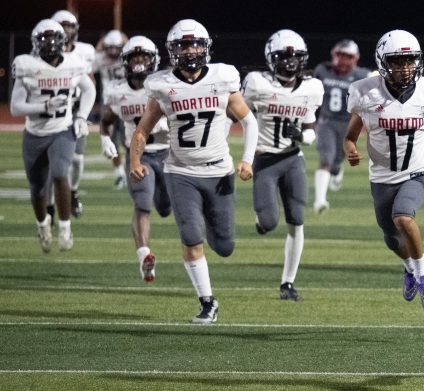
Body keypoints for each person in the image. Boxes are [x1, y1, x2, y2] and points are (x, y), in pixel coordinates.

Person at [129, 19, 258, 324]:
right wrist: (135, 161)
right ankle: (207, 301)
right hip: (180, 171)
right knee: (190, 236)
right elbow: (142, 130)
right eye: (183, 45)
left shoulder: (222, 77)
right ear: (172, 50)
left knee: (224, 246)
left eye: (195, 44)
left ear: (206, 47)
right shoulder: (162, 85)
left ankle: (212, 236)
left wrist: (248, 159)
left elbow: (249, 121)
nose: (190, 51)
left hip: (219, 171)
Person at [344, 29, 424, 312]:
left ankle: (423, 276)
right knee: (391, 238)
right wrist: (350, 150)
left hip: (418, 172)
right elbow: (350, 136)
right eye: (397, 62)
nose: (405, 68)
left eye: (410, 61)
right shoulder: (365, 93)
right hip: (382, 178)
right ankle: (409, 269)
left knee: (403, 217)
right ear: (382, 62)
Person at [242, 29, 323, 301]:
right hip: (264, 159)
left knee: (297, 221)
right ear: (270, 59)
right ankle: (262, 221)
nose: (290, 62)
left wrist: (301, 135)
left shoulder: (311, 88)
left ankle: (287, 283)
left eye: (295, 57)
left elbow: (312, 132)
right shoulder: (256, 84)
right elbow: (238, 114)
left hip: (292, 158)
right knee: (267, 222)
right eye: (284, 57)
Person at [10, 19, 95, 252]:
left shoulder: (73, 63)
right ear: (36, 43)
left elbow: (90, 90)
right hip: (35, 133)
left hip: (62, 129)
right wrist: (44, 107)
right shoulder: (27, 65)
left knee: (60, 174)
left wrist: (81, 117)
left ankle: (66, 229)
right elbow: (15, 107)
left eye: (54, 38)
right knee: (37, 188)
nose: (49, 43)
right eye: (44, 39)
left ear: (63, 41)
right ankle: (42, 224)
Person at [100, 35, 170, 283]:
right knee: (142, 203)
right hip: (138, 156)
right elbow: (107, 121)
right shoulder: (118, 92)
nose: (139, 62)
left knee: (165, 207)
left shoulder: (165, 86)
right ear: (125, 62)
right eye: (134, 57)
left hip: (168, 154)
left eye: (144, 57)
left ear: (154, 60)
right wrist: (105, 139)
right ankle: (144, 255)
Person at [46, 10, 96, 221]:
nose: (66, 30)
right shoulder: (41, 51)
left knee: (76, 159)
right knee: (51, 164)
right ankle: (48, 205)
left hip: (75, 109)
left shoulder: (85, 51)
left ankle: (73, 191)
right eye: (62, 26)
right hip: (51, 111)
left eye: (70, 26)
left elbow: (90, 83)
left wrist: (84, 113)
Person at [313, 39, 371, 213]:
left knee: (337, 160)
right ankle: (320, 200)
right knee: (326, 158)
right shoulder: (322, 70)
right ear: (334, 55)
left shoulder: (362, 76)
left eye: (348, 56)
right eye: (340, 55)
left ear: (356, 58)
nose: (343, 60)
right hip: (326, 122)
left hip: (348, 123)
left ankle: (337, 170)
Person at [94, 29, 128, 189]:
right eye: (110, 47)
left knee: (129, 139)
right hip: (109, 103)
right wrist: (102, 42)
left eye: (117, 47)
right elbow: (88, 65)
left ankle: (129, 170)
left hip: (128, 102)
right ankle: (120, 173)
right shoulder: (100, 59)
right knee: (111, 140)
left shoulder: (128, 57)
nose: (113, 51)